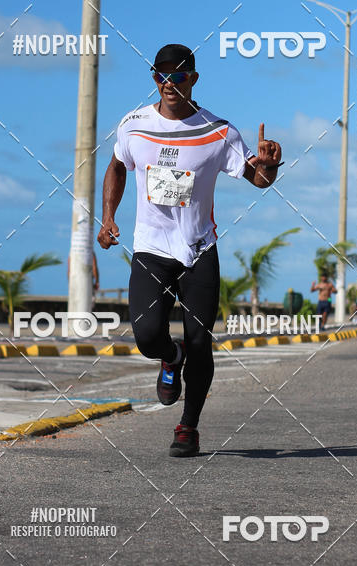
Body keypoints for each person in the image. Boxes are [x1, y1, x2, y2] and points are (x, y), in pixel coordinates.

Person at [97, 44, 282, 458]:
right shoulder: (134, 125)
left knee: (201, 342)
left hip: (198, 250)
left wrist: (269, 164)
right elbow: (115, 166)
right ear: (154, 80)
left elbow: (257, 179)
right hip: (150, 250)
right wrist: (107, 218)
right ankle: (169, 356)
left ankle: (188, 427)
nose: (169, 84)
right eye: (161, 76)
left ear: (193, 80)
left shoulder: (219, 131)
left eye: (178, 77)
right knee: (147, 336)